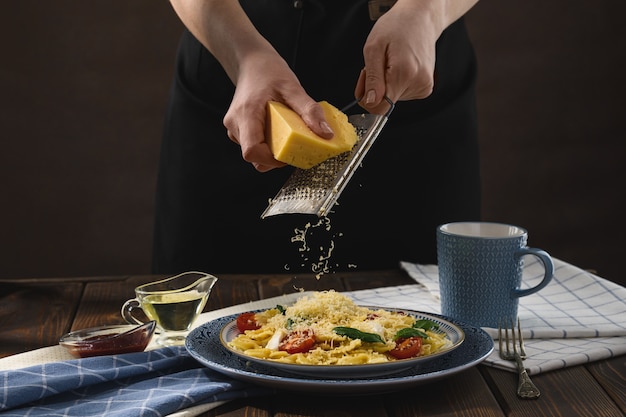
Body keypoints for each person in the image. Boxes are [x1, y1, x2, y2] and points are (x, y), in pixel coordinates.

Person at [152, 0, 482, 275]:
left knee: (434, 330)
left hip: (406, 60)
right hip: (232, 48)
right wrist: (245, 56)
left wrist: (425, 11)